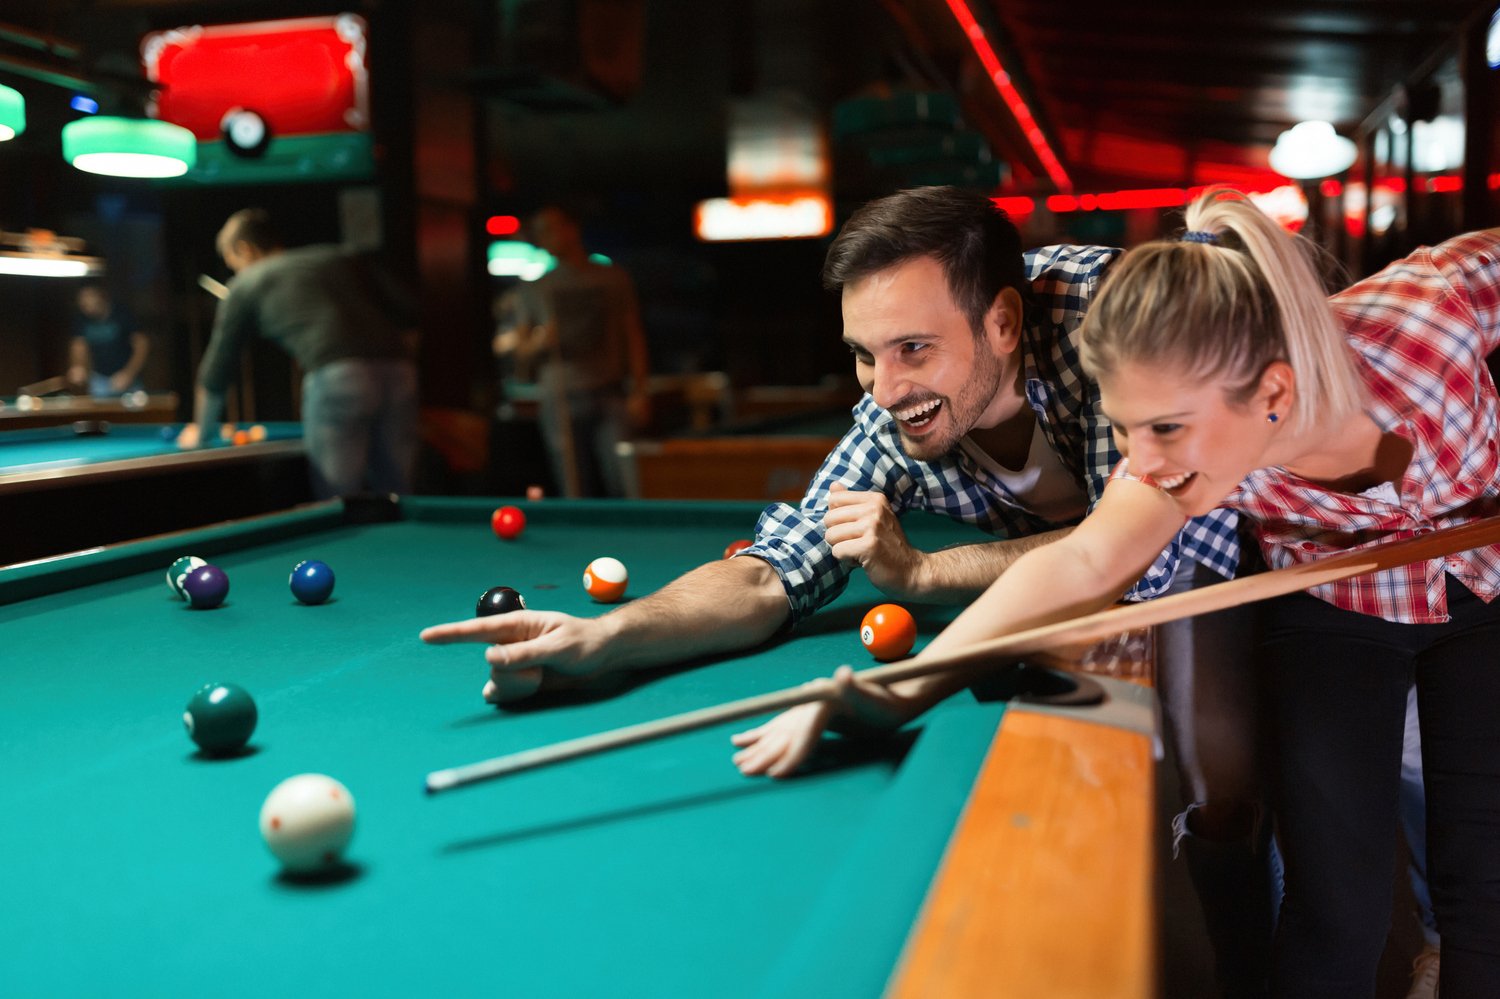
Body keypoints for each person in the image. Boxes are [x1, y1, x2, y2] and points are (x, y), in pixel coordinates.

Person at [427, 187, 1270, 990]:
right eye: (864, 354)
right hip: (1114, 560)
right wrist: (610, 637)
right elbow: (774, 570)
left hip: (1279, 528)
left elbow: (1126, 559)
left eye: (913, 348)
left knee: (1225, 759)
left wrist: (928, 576)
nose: (884, 387)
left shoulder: (1117, 326)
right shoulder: (896, 411)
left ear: (1004, 321)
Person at [733, 191, 1499, 997]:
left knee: (1485, 892)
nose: (1141, 462)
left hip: (1483, 591)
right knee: (1339, 912)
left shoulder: (1428, 312)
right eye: (1125, 429)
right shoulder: (1171, 453)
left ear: (1272, 396)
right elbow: (1078, 563)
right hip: (1340, 606)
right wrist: (890, 694)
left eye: (1162, 430)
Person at [177, 209, 420, 499]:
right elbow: (409, 313)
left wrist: (200, 434)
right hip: (402, 371)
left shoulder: (247, 281)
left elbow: (218, 368)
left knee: (339, 500)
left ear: (244, 249)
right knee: (400, 494)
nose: (236, 272)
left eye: (233, 263)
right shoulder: (339, 256)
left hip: (338, 377)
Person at [493, 206, 651, 497]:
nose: (543, 237)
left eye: (549, 228)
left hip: (610, 391)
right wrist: (540, 341)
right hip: (560, 397)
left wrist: (639, 390)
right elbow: (514, 348)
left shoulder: (612, 277)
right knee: (573, 487)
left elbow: (633, 334)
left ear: (571, 229)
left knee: (625, 482)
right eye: (539, 231)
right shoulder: (535, 287)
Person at [69, 283, 149, 397]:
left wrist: (128, 374)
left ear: (101, 296)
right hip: (99, 380)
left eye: (89, 296)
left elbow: (142, 344)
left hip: (129, 379)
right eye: (81, 299)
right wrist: (78, 366)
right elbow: (79, 345)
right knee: (101, 413)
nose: (84, 302)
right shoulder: (81, 319)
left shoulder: (122, 314)